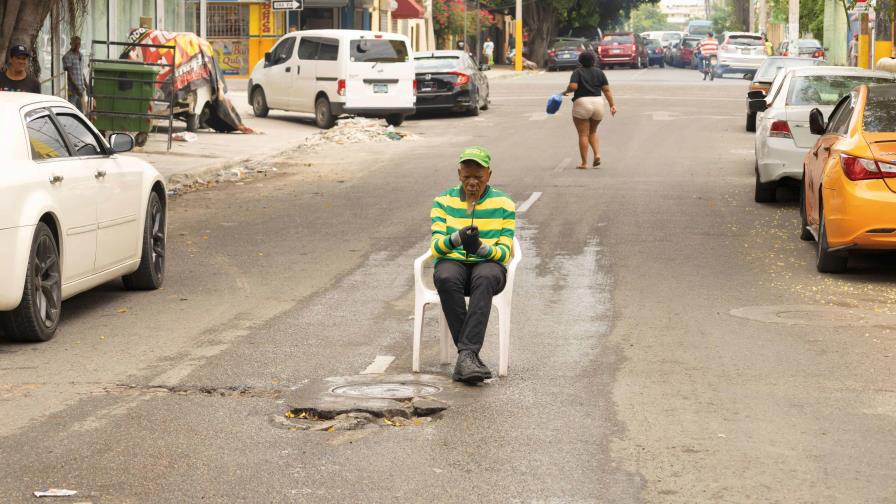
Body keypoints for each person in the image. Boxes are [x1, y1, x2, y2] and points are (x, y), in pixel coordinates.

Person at [431, 146, 516, 384]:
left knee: (485, 277)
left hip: (488, 265)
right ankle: (468, 357)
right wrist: (456, 238)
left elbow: (504, 253)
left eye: (478, 177)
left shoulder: (504, 203)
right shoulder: (442, 201)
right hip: (453, 262)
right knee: (446, 277)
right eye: (467, 176)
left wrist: (480, 247)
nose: (472, 183)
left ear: (489, 174)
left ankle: (466, 356)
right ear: (459, 174)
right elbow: (436, 248)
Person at [562, 51, 616, 169]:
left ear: (580, 61)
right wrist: (612, 105)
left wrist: (565, 92)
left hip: (582, 103)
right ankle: (597, 154)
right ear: (594, 60)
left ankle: (584, 163)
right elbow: (606, 90)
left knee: (583, 135)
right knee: (593, 132)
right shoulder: (599, 72)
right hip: (598, 103)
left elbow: (573, 87)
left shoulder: (577, 72)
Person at [62, 36, 87, 112]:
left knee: (81, 112)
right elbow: (69, 75)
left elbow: (80, 71)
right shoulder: (67, 56)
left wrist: (86, 84)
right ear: (70, 44)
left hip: (81, 89)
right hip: (72, 90)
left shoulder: (81, 55)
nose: (77, 45)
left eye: (78, 44)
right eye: (75, 44)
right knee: (72, 111)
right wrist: (77, 89)